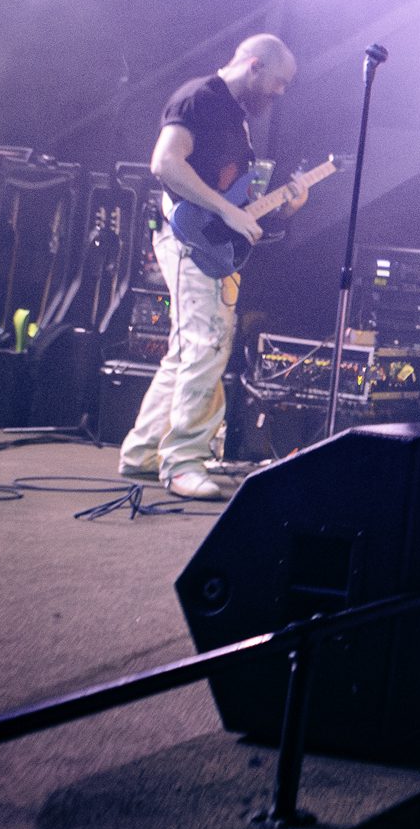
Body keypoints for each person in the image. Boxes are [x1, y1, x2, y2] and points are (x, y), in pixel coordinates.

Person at [118, 33, 305, 500]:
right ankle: (183, 462)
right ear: (255, 65)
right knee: (209, 344)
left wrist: (283, 206)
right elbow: (165, 163)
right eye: (278, 82)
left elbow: (234, 199)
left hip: (209, 242)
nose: (280, 92)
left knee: (187, 349)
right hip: (189, 238)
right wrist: (225, 211)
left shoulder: (236, 117)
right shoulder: (198, 97)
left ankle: (142, 452)